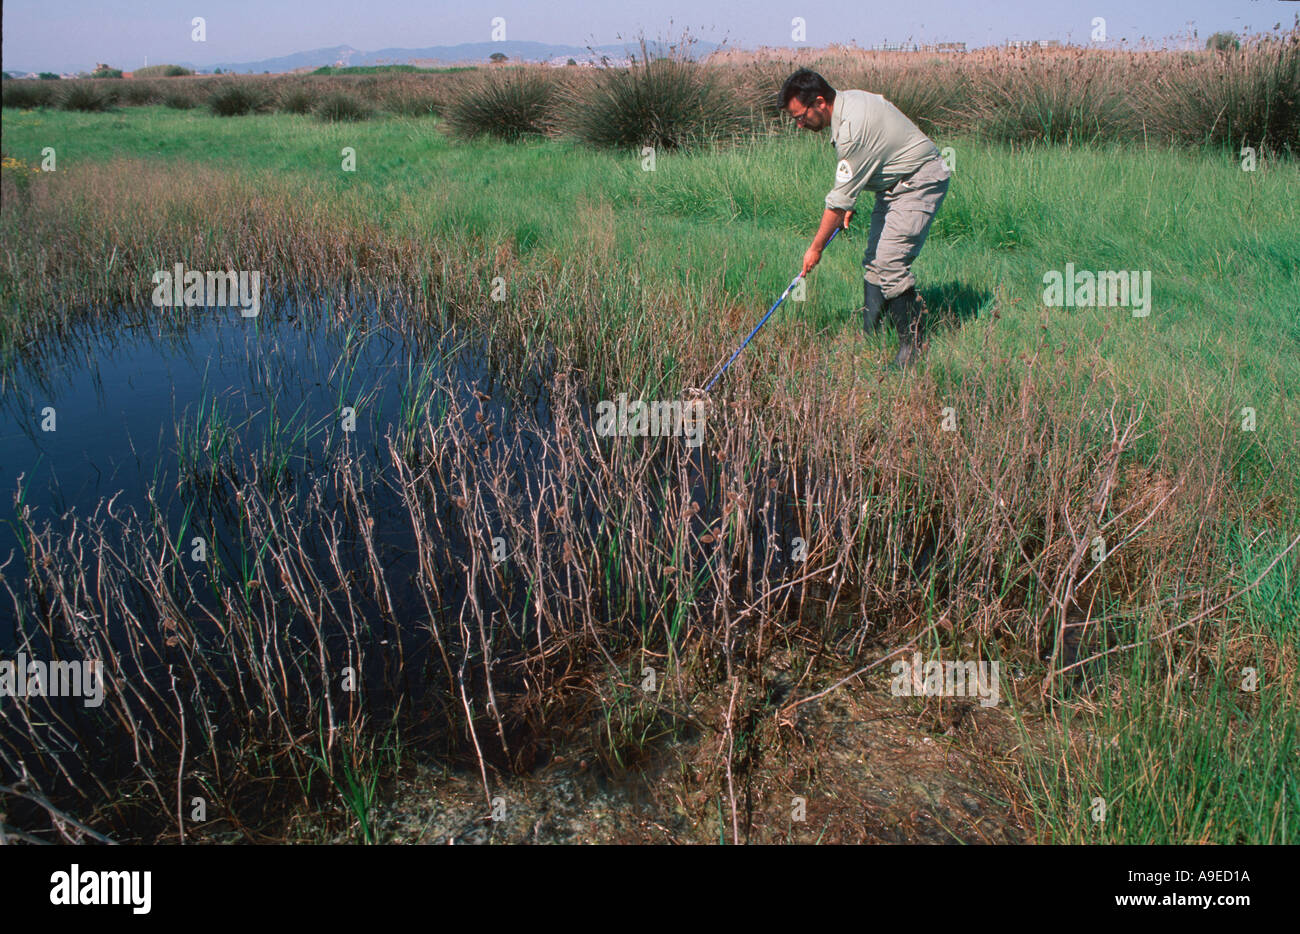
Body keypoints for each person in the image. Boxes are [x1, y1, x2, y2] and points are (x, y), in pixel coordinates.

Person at [780, 68, 950, 368]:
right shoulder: (849, 102)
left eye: (800, 116)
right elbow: (860, 173)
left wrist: (815, 248)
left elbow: (837, 202)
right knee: (873, 261)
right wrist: (848, 201)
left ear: (820, 102)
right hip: (892, 186)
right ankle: (870, 335)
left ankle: (913, 349)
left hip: (919, 180)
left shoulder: (851, 131)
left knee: (890, 263)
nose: (798, 124)